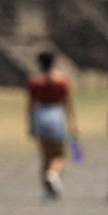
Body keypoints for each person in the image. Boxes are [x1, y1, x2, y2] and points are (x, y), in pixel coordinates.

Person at [27, 51, 78, 202]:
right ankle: (53, 173)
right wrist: (72, 123)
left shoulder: (35, 81)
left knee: (45, 156)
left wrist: (30, 123)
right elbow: (67, 103)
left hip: (40, 114)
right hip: (56, 113)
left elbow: (30, 104)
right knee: (59, 155)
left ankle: (47, 191)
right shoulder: (61, 80)